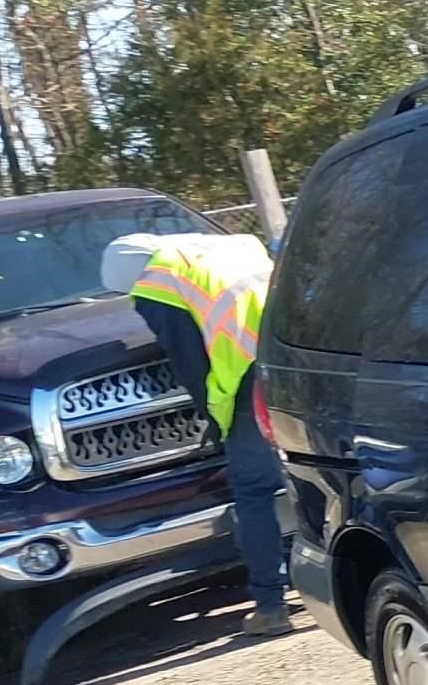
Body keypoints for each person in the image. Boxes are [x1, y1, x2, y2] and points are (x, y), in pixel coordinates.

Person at [99, 229, 291, 636]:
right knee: (314, 468)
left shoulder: (157, 283)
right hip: (298, 354)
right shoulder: (230, 246)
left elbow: (192, 364)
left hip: (249, 375)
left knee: (254, 489)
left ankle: (271, 606)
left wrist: (216, 421)